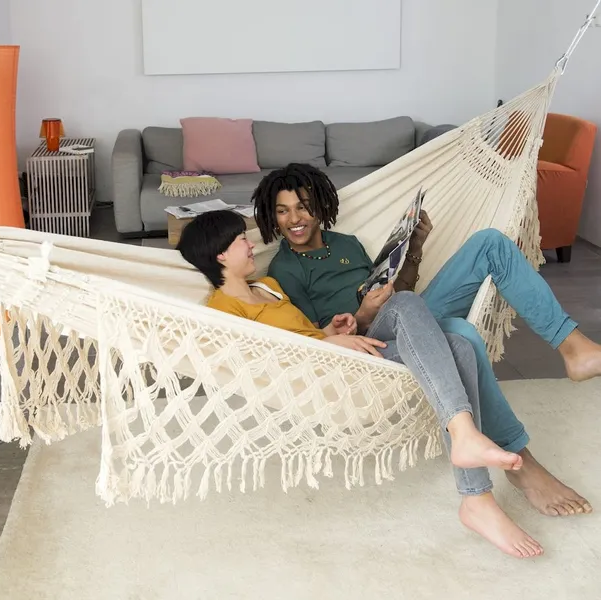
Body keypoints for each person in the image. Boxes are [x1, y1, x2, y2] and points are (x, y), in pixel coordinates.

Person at [177, 209, 545, 559]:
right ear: (221, 254)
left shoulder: (267, 286)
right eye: (242, 240)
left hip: (342, 354)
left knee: (447, 337)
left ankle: (475, 490)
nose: (251, 245)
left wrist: (331, 330)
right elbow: (262, 362)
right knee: (425, 321)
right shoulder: (223, 310)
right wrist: (327, 346)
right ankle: (473, 477)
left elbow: (301, 332)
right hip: (324, 375)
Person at [251, 162, 600, 520]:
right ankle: (520, 467)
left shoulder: (348, 245)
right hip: (368, 346)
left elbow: (401, 292)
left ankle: (572, 346)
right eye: (282, 211)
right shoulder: (286, 269)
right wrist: (364, 315)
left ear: (320, 206)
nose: (294, 219)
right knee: (461, 335)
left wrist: (414, 247)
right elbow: (314, 340)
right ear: (272, 217)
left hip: (408, 318)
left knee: (490, 243)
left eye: (303, 206)